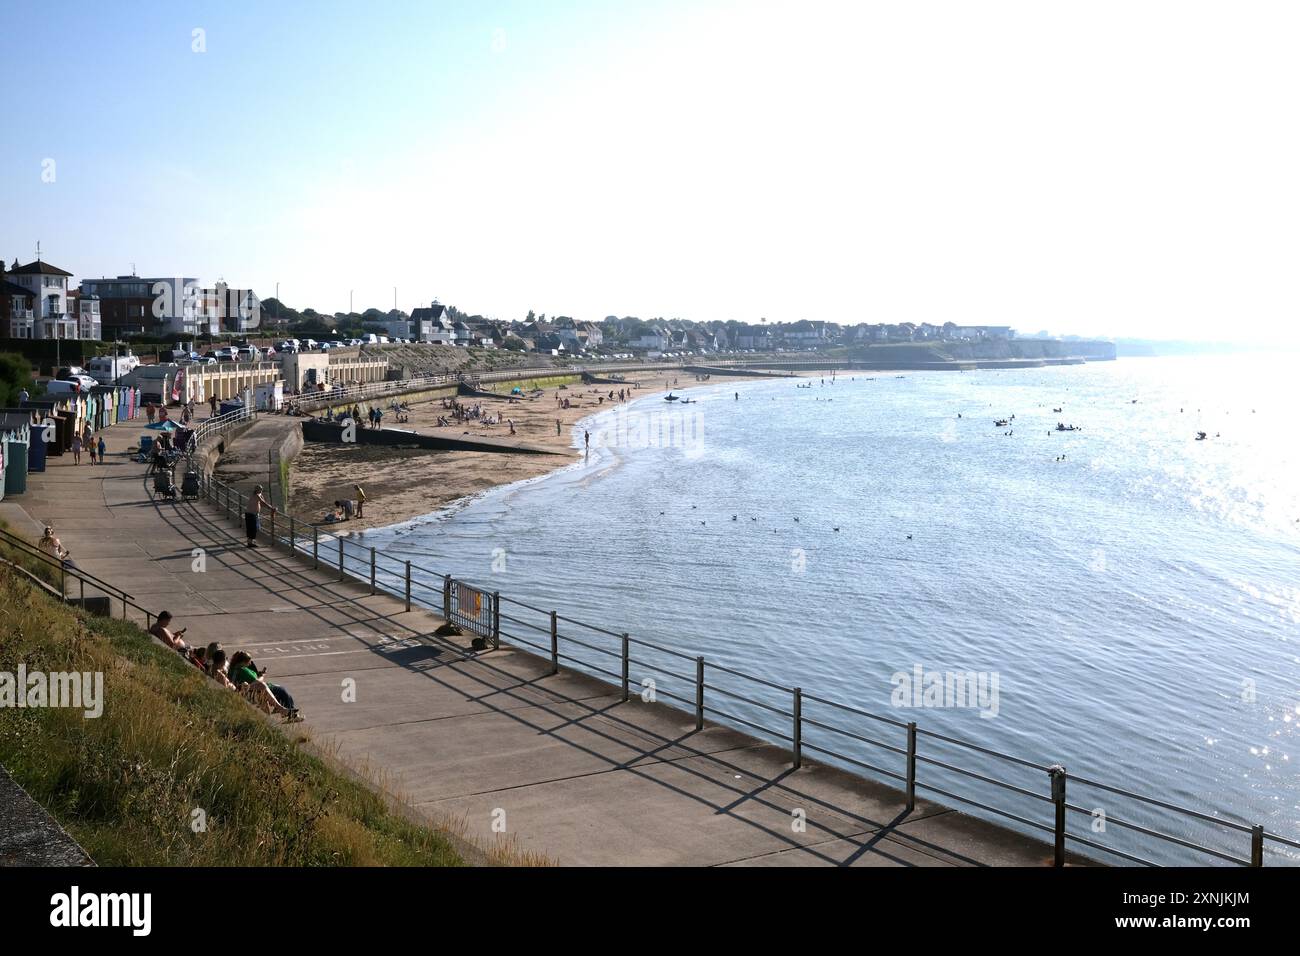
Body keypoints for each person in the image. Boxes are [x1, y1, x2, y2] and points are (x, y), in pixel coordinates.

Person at [228, 651, 301, 721]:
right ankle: (289, 714)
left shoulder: (233, 668)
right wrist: (263, 675)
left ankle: (283, 711)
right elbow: (258, 682)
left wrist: (258, 674)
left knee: (282, 693)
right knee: (282, 691)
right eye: (249, 661)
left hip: (250, 689)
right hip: (253, 690)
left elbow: (252, 678)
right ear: (243, 662)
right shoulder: (243, 670)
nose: (250, 663)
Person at [244, 484, 271, 548]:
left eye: (262, 489)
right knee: (252, 528)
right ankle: (250, 543)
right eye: (260, 489)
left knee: (255, 528)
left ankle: (251, 541)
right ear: (256, 490)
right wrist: (271, 508)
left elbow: (262, 503)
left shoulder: (259, 495)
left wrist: (269, 507)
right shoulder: (255, 495)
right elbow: (263, 502)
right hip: (250, 514)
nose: (261, 490)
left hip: (254, 514)